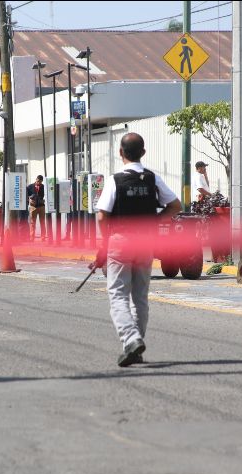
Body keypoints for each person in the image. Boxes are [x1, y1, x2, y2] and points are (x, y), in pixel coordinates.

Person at [91, 133, 182, 367]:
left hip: (120, 242)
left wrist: (105, 242)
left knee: (118, 295)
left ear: (120, 153)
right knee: (140, 297)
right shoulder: (152, 179)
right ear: (143, 152)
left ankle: (131, 339)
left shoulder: (115, 180)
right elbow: (175, 206)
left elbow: (102, 215)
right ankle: (136, 347)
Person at [27, 175, 47, 241]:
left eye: (40, 182)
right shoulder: (29, 187)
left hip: (41, 206)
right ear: (36, 179)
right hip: (32, 206)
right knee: (32, 222)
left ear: (42, 181)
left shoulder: (44, 187)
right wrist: (29, 199)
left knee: (42, 222)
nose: (39, 183)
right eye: (38, 181)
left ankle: (43, 237)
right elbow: (25, 195)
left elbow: (47, 195)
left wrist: (45, 200)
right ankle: (31, 237)